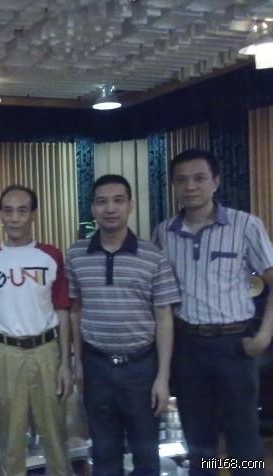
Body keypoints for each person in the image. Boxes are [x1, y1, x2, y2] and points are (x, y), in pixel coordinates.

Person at [153, 149, 273, 476]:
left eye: (199, 178)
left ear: (215, 182)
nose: (190, 186)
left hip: (233, 346)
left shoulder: (245, 224)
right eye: (182, 180)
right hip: (188, 347)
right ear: (174, 186)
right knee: (199, 441)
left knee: (243, 439)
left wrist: (264, 336)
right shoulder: (164, 232)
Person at [66, 174, 180, 476]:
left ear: (131, 205)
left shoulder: (153, 256)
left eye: (118, 201)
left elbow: (164, 317)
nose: (110, 208)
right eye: (102, 202)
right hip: (96, 366)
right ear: (93, 208)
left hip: (141, 368)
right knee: (103, 453)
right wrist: (78, 363)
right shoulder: (76, 255)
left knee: (146, 453)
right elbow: (74, 311)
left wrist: (162, 376)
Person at [0, 184, 73, 476]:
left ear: (33, 214)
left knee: (55, 435)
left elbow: (62, 311)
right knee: (10, 438)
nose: (14, 218)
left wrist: (65, 364)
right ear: (0, 215)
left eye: (22, 210)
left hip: (47, 352)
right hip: (5, 354)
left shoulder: (50, 256)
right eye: (8, 211)